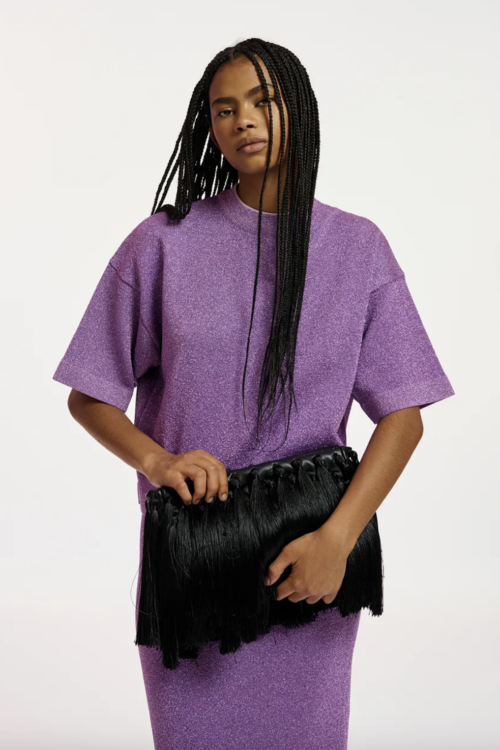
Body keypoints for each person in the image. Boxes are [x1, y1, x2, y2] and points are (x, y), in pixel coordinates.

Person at [52, 38, 455, 750]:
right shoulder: (162, 244)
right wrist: (158, 461)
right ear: (208, 127)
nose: (243, 120)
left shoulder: (358, 247)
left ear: (299, 107)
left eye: (264, 101)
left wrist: (339, 538)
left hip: (311, 555)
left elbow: (403, 415)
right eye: (224, 109)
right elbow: (90, 395)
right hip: (195, 554)